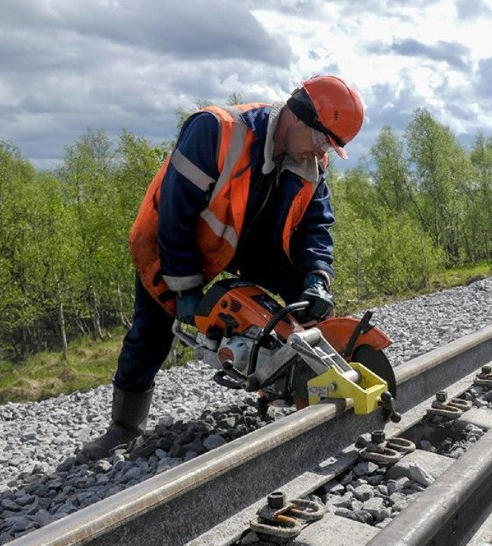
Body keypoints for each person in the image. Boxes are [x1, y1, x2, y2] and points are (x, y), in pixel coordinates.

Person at [79, 75, 365, 460]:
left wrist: (317, 277)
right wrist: (185, 290)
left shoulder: (311, 159)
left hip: (247, 242)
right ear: (298, 118)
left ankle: (294, 382)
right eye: (321, 141)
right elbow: (174, 217)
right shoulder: (215, 131)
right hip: (175, 243)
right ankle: (124, 427)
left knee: (306, 304)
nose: (321, 153)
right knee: (152, 331)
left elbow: (316, 225)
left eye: (330, 146)